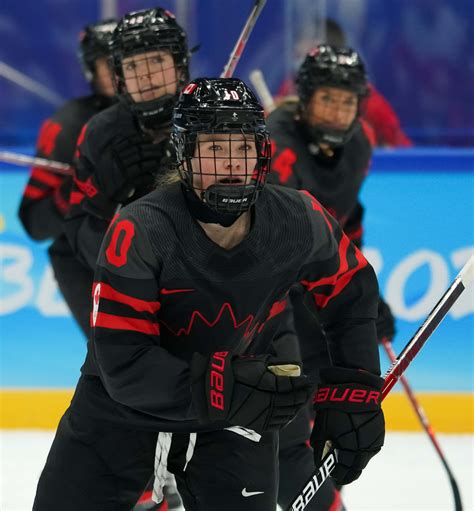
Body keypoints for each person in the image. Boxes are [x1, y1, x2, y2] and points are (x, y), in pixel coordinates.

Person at [32, 77, 385, 511]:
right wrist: (225, 388)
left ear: (262, 152)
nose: (232, 164)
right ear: (184, 156)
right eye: (215, 149)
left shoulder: (300, 219)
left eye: (243, 148)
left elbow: (350, 294)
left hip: (234, 422)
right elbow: (124, 363)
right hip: (117, 417)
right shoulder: (141, 230)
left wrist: (354, 390)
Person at [63, 8, 191, 510]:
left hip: (213, 292)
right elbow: (79, 222)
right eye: (133, 67)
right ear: (117, 76)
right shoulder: (101, 133)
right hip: (134, 294)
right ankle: (145, 486)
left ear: (179, 64)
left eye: (156, 62)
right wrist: (129, 254)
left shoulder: (211, 121)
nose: (146, 77)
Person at [268, 45, 395, 510]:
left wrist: (361, 297)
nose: (339, 112)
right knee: (283, 423)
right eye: (328, 99)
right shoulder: (276, 145)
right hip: (272, 301)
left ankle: (326, 498)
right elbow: (269, 242)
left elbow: (345, 220)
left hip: (319, 294)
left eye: (348, 102)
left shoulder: (359, 142)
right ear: (304, 98)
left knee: (336, 414)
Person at [17, 18, 117, 336]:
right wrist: (78, 186)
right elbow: (36, 222)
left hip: (153, 255)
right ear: (91, 69)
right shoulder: (67, 127)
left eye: (131, 61)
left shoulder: (178, 114)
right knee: (118, 362)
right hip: (85, 261)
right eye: (109, 63)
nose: (126, 72)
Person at [277, 18, 412, 147]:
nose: (296, 47)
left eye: (304, 41)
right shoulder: (291, 86)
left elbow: (398, 149)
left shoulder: (367, 100)